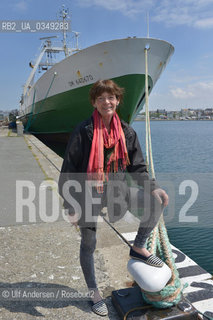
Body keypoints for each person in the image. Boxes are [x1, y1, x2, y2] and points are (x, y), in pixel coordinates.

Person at [58, 79, 169, 317]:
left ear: (117, 101)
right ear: (94, 103)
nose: (106, 102)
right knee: (89, 244)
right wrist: (71, 205)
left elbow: (138, 167)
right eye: (101, 98)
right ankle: (93, 292)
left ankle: (138, 247)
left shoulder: (126, 132)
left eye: (111, 97)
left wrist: (153, 187)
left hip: (117, 191)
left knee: (156, 202)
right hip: (88, 195)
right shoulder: (83, 131)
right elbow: (68, 171)